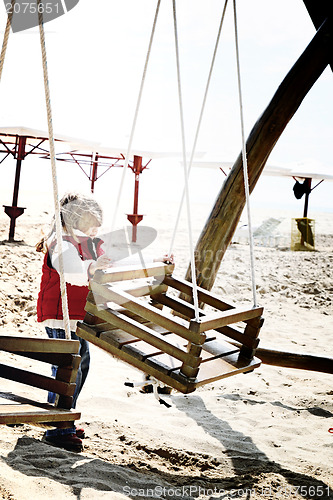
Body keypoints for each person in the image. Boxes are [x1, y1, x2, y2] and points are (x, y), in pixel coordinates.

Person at [36, 192, 111, 452]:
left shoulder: (86, 242)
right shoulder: (60, 243)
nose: (96, 229)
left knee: (83, 365)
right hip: (60, 315)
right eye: (91, 222)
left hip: (78, 316)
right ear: (75, 221)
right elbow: (74, 274)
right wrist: (92, 267)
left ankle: (63, 416)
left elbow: (107, 263)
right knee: (67, 369)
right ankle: (58, 427)